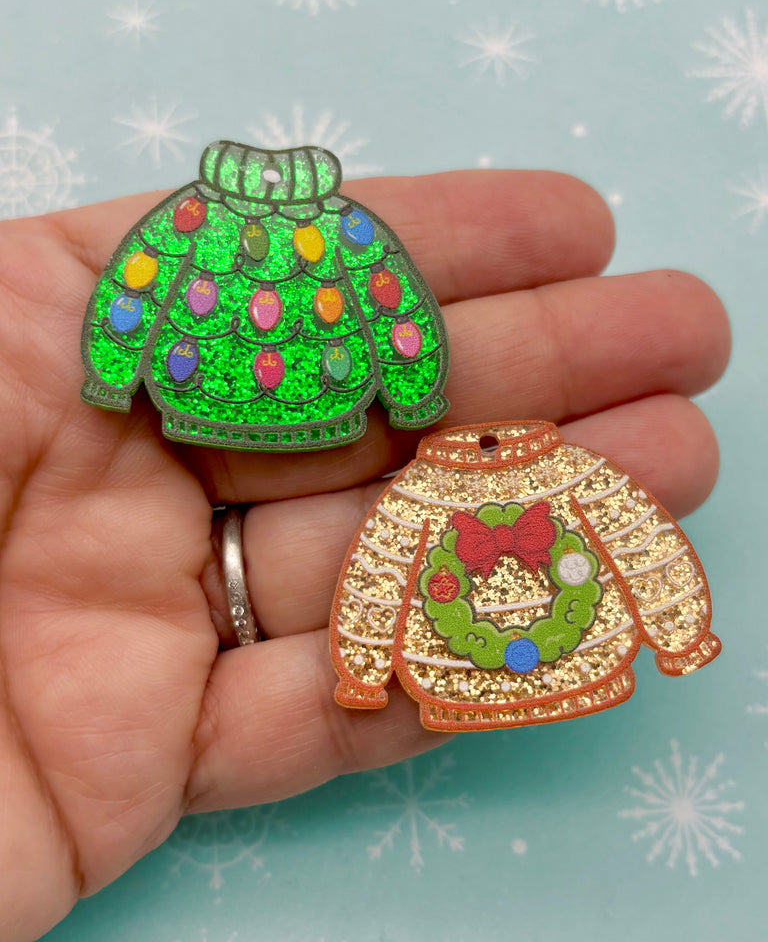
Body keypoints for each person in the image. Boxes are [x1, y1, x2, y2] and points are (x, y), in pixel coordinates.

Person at [0, 168, 730, 941]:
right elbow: (380, 553)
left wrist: (677, 632)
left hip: (304, 416)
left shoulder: (564, 476)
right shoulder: (204, 223)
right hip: (220, 407)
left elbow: (639, 542)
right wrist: (112, 380)